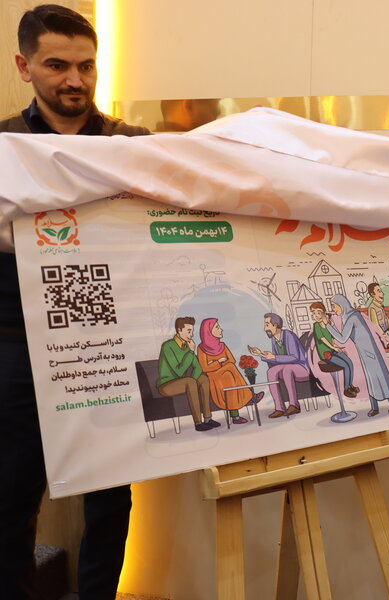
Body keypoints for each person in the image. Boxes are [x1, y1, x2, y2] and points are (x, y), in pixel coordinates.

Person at [0, 5, 149, 598]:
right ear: (24, 67)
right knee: (11, 497)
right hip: (16, 345)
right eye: (56, 65)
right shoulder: (3, 145)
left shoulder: (132, 145)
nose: (74, 80)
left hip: (109, 344)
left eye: (86, 66)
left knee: (111, 497)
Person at [327, 294, 389, 417]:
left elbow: (343, 338)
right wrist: (333, 326)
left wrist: (328, 326)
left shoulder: (353, 317)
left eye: (334, 306)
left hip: (369, 351)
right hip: (365, 351)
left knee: (380, 376)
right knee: (370, 379)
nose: (333, 309)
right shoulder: (349, 316)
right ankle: (375, 407)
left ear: (341, 305)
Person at [196, 318, 263, 424]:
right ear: (208, 332)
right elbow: (205, 368)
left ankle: (236, 416)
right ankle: (250, 397)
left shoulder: (222, 345)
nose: (221, 329)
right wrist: (220, 361)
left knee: (229, 371)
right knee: (230, 368)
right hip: (214, 376)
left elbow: (232, 359)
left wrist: (215, 363)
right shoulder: (201, 349)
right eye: (217, 327)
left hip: (227, 374)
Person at [156, 317, 218, 431]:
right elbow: (178, 372)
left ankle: (208, 418)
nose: (191, 335)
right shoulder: (168, 346)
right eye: (189, 331)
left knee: (203, 378)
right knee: (190, 382)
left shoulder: (187, 346)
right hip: (166, 385)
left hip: (182, 383)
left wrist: (194, 382)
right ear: (179, 330)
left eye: (192, 331)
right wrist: (190, 352)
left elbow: (198, 368)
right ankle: (198, 423)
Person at [249, 313, 310, 418]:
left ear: (275, 325)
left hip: (302, 368)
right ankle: (279, 408)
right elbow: (277, 360)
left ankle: (294, 405)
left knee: (287, 369)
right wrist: (261, 355)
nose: (265, 329)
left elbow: (295, 357)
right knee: (271, 371)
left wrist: (274, 357)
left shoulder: (289, 335)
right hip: (287, 368)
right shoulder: (274, 339)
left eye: (267, 325)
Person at [310, 301, 358, 398]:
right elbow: (323, 339)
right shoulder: (316, 326)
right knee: (345, 365)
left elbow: (332, 340)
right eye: (314, 313)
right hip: (326, 354)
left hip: (333, 351)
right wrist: (333, 347)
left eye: (319, 312)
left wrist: (338, 348)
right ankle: (346, 388)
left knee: (349, 362)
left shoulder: (328, 325)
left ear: (324, 313)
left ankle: (350, 385)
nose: (316, 316)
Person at [155, 98, 220, 132]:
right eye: (213, 108)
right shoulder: (193, 149)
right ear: (189, 106)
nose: (219, 112)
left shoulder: (154, 145)